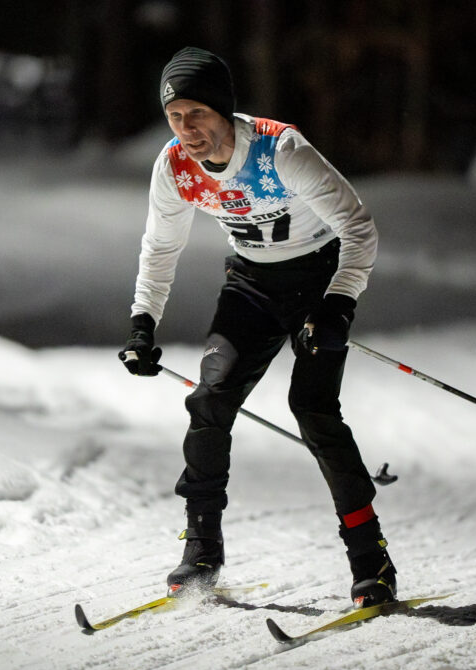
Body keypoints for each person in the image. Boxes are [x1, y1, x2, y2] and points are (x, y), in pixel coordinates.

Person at [119, 46, 396, 607]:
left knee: (313, 410)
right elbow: (160, 248)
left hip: (318, 277)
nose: (186, 129)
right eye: (175, 116)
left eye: (196, 113)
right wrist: (142, 323)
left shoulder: (280, 149)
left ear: (223, 109)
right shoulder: (174, 166)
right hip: (251, 284)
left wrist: (338, 304)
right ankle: (200, 550)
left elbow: (359, 228)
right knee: (209, 399)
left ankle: (372, 557)